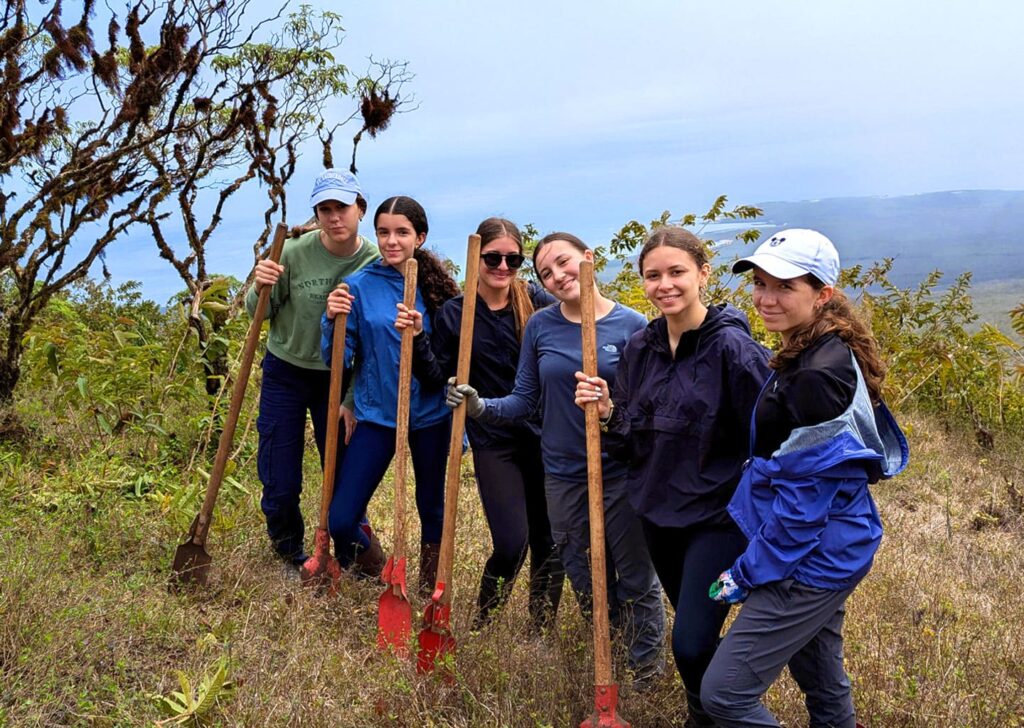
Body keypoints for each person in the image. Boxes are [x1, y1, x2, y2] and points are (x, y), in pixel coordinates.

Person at [700, 229, 909, 727]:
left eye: (784, 287)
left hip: (808, 562)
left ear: (823, 294)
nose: (766, 299)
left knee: (724, 695)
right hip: (839, 543)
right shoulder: (817, 347)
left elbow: (801, 511)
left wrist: (745, 575)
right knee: (821, 678)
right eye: (761, 283)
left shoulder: (817, 374)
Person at [448, 232, 666, 683]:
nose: (558, 276)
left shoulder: (634, 326)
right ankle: (613, 649)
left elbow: (650, 409)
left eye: (564, 263)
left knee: (635, 577)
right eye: (546, 272)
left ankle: (645, 673)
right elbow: (525, 400)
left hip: (621, 473)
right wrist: (481, 406)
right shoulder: (541, 327)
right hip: (563, 472)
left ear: (588, 259)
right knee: (583, 574)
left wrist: (610, 409)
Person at [574, 227, 770, 724]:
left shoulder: (734, 350)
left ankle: (724, 711)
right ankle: (706, 714)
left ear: (703, 274)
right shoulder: (641, 347)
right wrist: (606, 414)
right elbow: (632, 435)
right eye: (653, 275)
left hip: (716, 520)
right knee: (694, 633)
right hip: (658, 515)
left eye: (677, 272)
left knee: (689, 643)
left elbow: (768, 437)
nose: (665, 284)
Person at [398, 217, 564, 631]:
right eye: (493, 257)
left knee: (551, 540)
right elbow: (435, 375)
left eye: (513, 259)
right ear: (478, 259)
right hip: (494, 439)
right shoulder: (457, 314)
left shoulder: (536, 301)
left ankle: (539, 628)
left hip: (546, 435)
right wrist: (419, 337)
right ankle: (484, 625)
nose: (503, 267)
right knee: (512, 542)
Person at [320, 195, 460, 596]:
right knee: (341, 519)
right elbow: (338, 360)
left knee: (432, 509)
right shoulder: (359, 286)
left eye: (402, 232)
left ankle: (428, 593)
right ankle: (380, 572)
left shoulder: (438, 291)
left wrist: (419, 335)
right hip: (378, 415)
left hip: (430, 415)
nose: (391, 241)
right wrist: (331, 320)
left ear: (420, 237)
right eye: (383, 232)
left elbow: (444, 369)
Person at [247, 168, 383, 574]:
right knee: (279, 472)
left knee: (342, 473)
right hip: (285, 370)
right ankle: (290, 551)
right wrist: (260, 285)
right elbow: (258, 315)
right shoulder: (292, 252)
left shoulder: (375, 260)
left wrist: (349, 399)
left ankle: (351, 550)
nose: (334, 216)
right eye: (325, 209)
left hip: (338, 378)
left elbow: (374, 344)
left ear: (360, 208)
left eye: (342, 207)